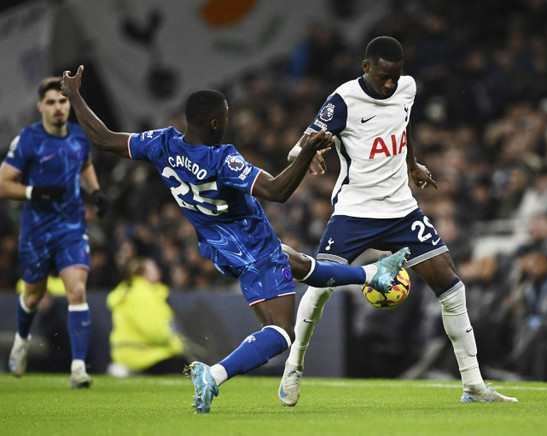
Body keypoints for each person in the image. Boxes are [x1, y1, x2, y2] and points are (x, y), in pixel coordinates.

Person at [60, 65, 409, 413]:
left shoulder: (161, 142)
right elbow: (276, 190)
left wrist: (75, 95)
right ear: (215, 123)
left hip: (218, 245)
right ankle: (214, 374)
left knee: (296, 261)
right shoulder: (222, 159)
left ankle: (372, 274)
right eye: (225, 116)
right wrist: (309, 149)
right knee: (282, 333)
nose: (229, 121)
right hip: (252, 248)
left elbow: (103, 138)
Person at [279, 36, 517, 404]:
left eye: (395, 76)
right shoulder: (343, 100)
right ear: (366, 68)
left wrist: (412, 165)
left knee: (452, 288)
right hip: (355, 212)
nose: (389, 84)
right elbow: (299, 145)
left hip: (401, 210)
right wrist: (307, 154)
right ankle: (293, 366)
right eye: (383, 77)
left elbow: (400, 131)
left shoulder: (407, 88)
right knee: (321, 286)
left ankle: (473, 385)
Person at [0, 76, 109, 388]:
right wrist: (37, 193)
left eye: (63, 101)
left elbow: (85, 165)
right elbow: (4, 183)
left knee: (77, 291)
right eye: (52, 102)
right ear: (40, 107)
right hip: (36, 229)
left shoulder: (78, 136)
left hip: (72, 226)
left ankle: (78, 368)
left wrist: (97, 191)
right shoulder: (28, 140)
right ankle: (21, 340)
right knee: (32, 294)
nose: (59, 107)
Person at [106, 257, 189, 377]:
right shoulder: (142, 294)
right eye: (154, 268)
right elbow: (155, 331)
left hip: (125, 352)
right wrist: (176, 346)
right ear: (143, 274)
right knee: (185, 370)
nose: (158, 271)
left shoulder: (130, 291)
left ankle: (124, 369)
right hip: (144, 355)